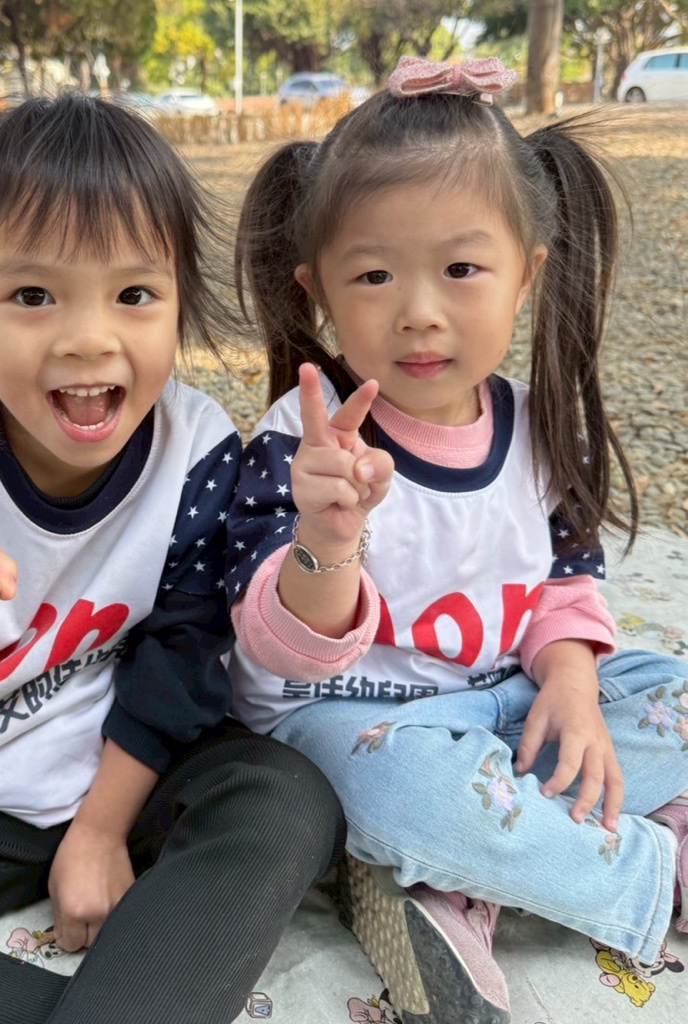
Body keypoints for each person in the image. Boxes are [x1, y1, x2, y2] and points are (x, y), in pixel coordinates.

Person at [0, 94, 344, 1024]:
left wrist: (100, 829)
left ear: (179, 306)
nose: (87, 337)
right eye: (33, 296)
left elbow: (185, 654)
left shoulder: (195, 448)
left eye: (134, 294)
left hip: (134, 772)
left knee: (284, 798)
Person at [225, 56, 688, 1024]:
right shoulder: (301, 444)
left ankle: (459, 875)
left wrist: (570, 682)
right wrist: (327, 538)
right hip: (354, 721)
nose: (419, 312)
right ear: (318, 290)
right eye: (374, 275)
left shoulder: (534, 421)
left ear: (528, 274)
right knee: (400, 793)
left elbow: (566, 580)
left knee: (665, 689)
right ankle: (649, 868)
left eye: (462, 269)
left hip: (507, 705)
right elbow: (276, 647)